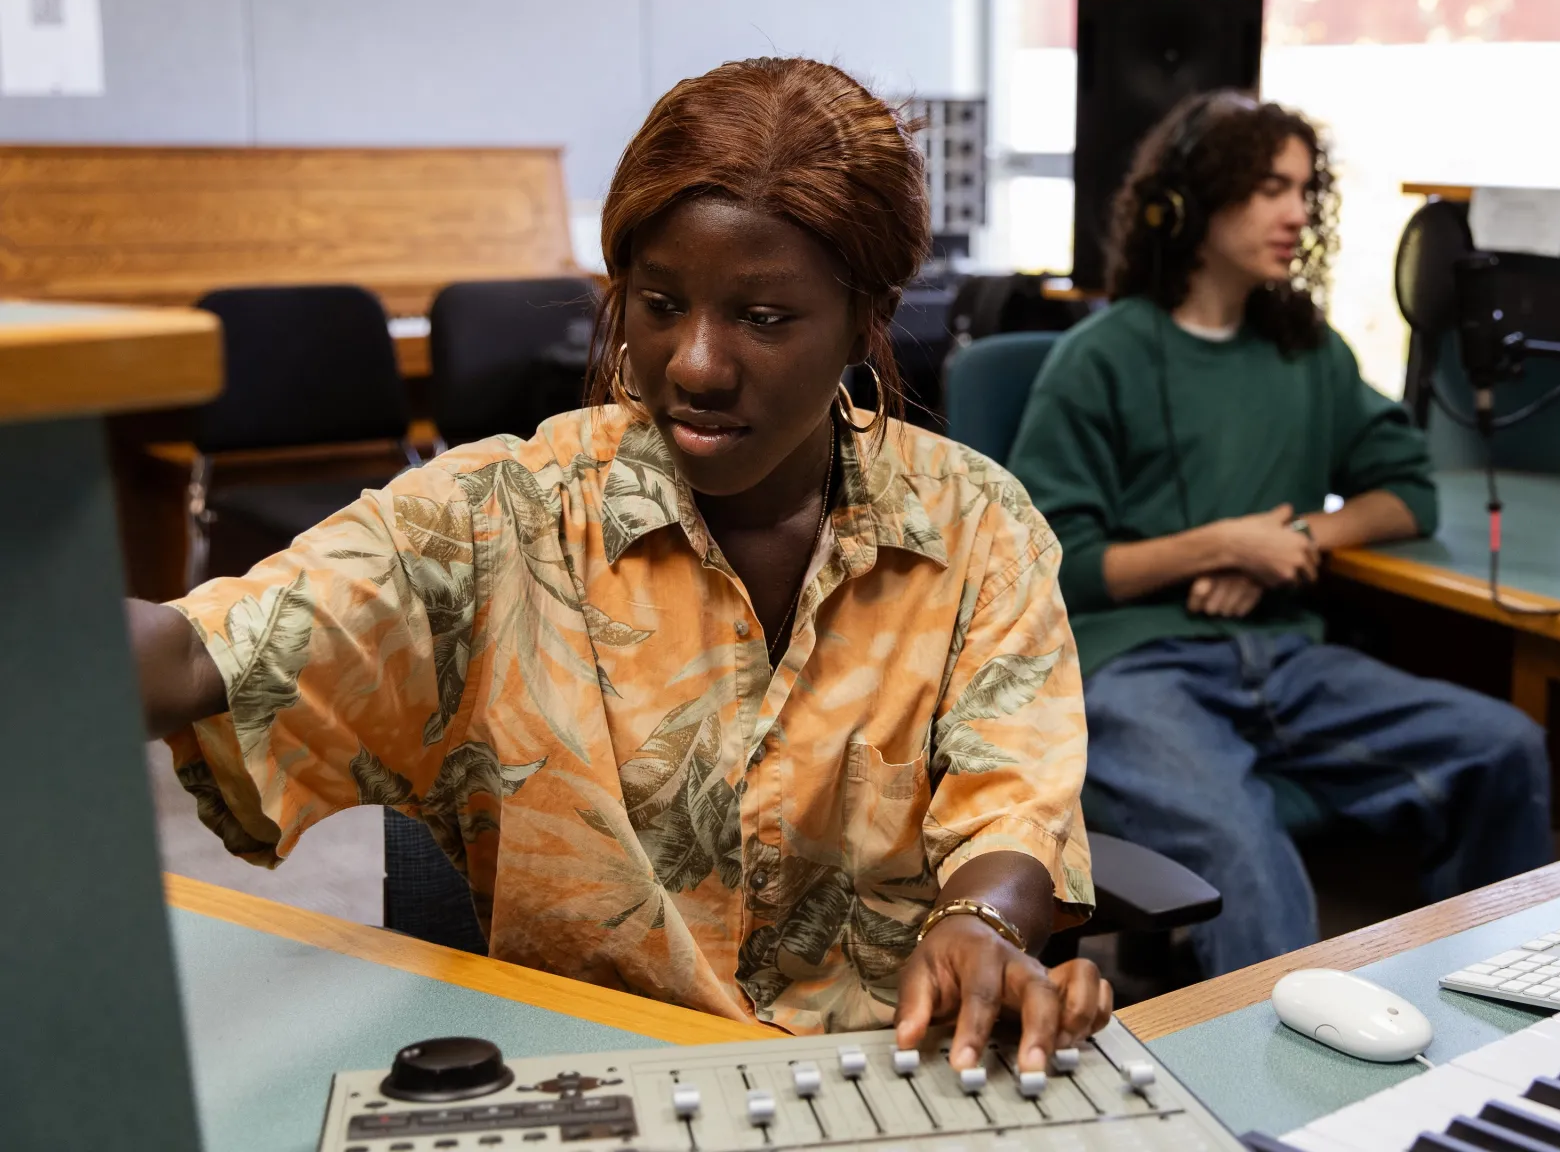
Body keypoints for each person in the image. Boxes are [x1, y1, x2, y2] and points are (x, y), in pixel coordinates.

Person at [126, 57, 1108, 1072]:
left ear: (871, 313)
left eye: (764, 317)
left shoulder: (977, 523)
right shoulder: (495, 517)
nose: (694, 362)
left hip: (882, 1088)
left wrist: (979, 921)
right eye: (660, 303)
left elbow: (1013, 796)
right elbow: (202, 653)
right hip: (604, 1087)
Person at [1006, 91, 1552, 978]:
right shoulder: (1099, 358)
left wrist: (1294, 539)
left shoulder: (1308, 353)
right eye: (1268, 188)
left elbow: (1409, 493)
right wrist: (1221, 545)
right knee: (1240, 842)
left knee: (1503, 746)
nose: (1296, 213)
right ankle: (1278, 1098)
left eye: (1304, 190)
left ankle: (1502, 1001)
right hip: (1135, 671)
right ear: (1184, 204)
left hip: (1283, 662)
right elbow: (1047, 568)